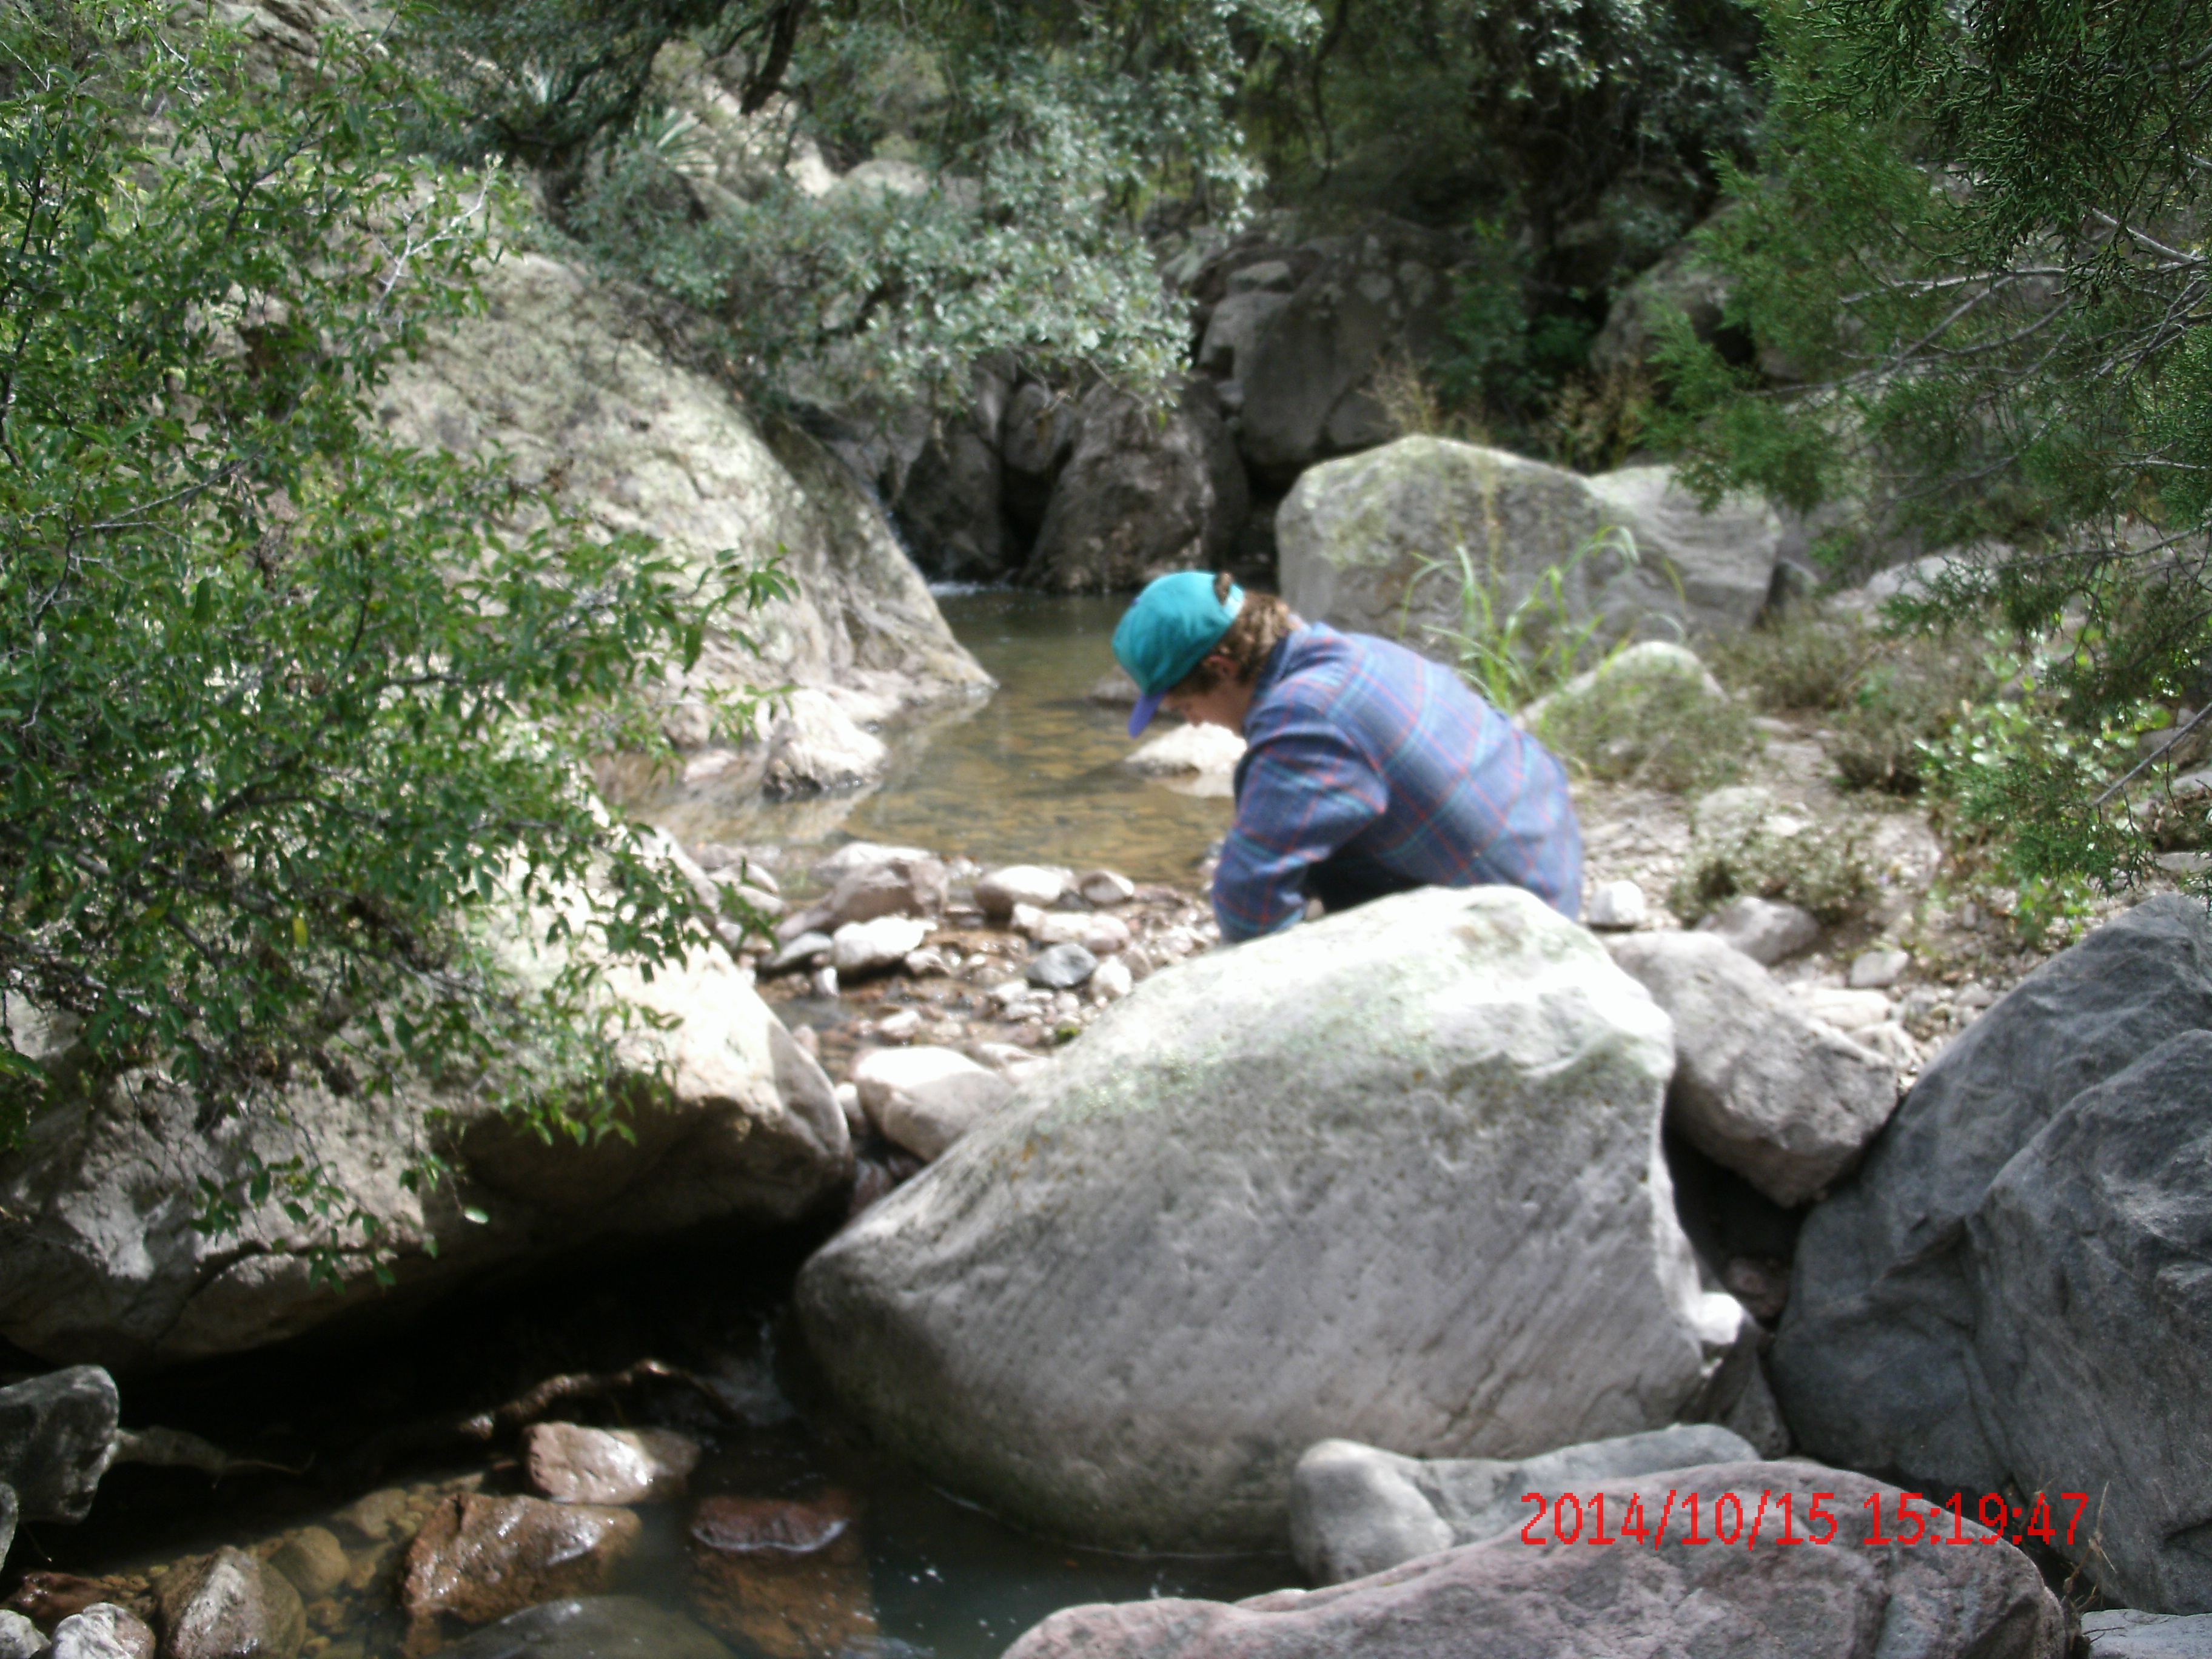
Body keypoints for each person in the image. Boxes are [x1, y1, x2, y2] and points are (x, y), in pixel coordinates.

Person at [1114, 569, 1583, 943]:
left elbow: (1246, 905)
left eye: (1185, 706)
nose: (1195, 723)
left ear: (1222, 668)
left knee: (1291, 858)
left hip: (1521, 929)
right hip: (1549, 858)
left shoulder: (1303, 720)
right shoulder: (1354, 651)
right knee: (1307, 830)